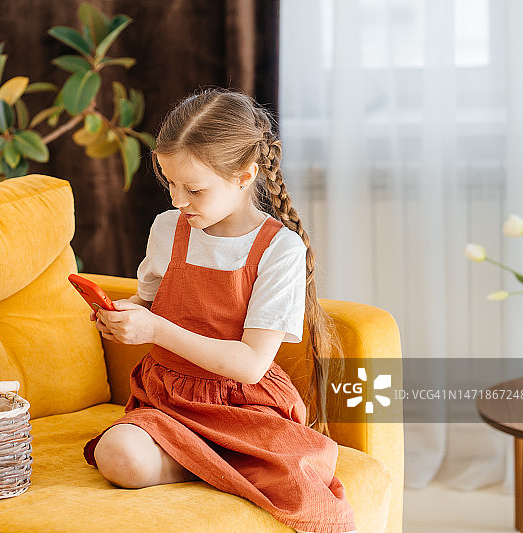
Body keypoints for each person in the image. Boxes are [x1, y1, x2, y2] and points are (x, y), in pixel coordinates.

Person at [82, 88, 357, 533]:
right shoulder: (167, 228)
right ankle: (212, 465)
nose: (177, 200)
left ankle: (211, 461)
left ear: (246, 175)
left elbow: (250, 365)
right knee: (119, 455)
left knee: (305, 489)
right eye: (170, 183)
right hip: (167, 400)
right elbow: (149, 303)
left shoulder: (278, 249)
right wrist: (123, 315)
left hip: (243, 406)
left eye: (194, 189)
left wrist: (155, 329)